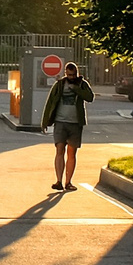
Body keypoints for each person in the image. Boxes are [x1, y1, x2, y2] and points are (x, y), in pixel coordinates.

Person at [41, 61, 96, 192]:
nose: (71, 77)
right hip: (60, 122)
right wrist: (44, 122)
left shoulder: (82, 84)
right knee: (59, 150)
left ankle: (68, 182)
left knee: (72, 153)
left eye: (73, 75)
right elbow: (49, 103)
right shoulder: (59, 85)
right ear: (65, 73)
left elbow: (90, 97)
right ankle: (59, 181)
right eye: (69, 75)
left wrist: (76, 89)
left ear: (77, 73)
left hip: (75, 124)